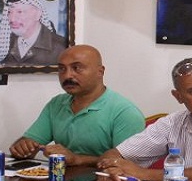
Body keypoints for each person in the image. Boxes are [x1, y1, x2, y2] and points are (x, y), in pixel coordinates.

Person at [8, 44, 145, 166]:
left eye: (77, 68)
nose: (67, 75)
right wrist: (23, 147)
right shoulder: (56, 104)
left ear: (100, 72)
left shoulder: (125, 113)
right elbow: (31, 142)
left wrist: (78, 159)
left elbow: (127, 165)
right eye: (62, 69)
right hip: (61, 180)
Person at [0, 0, 67, 66]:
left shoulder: (62, 48)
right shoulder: (4, 45)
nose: (12, 19)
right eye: (9, 12)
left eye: (20, 12)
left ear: (37, 14)